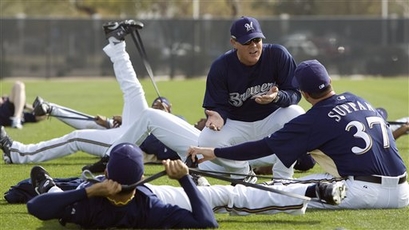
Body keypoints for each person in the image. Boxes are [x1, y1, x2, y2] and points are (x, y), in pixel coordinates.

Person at [187, 59, 409, 209]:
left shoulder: (314, 119)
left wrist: (214, 151)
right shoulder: (359, 99)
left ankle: (209, 197)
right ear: (330, 81)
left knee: (274, 191)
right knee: (308, 181)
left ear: (303, 93)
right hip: (402, 193)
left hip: (363, 192)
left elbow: (262, 147)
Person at [0, 20, 201, 166]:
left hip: (128, 143)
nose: (205, 121)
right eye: (207, 120)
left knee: (76, 138)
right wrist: (161, 110)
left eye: (207, 122)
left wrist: (114, 124)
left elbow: (153, 145)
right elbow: (157, 118)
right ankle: (116, 41)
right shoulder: (184, 123)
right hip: (133, 126)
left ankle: (19, 153)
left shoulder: (191, 149)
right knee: (134, 89)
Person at [20, 143, 346, 222]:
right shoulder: (149, 206)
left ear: (108, 177)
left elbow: (208, 224)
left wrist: (187, 181)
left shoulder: (150, 203)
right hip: (159, 193)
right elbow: (37, 207)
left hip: (163, 192)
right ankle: (313, 188)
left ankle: (313, 189)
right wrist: (187, 182)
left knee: (229, 194)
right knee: (231, 194)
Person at [197, 16, 305, 182]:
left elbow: (294, 93)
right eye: (247, 42)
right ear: (234, 42)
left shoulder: (277, 55)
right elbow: (217, 105)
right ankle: (244, 175)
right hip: (237, 124)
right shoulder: (221, 66)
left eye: (257, 40)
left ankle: (283, 178)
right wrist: (217, 115)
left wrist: (277, 97)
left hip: (271, 120)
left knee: (296, 114)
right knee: (206, 140)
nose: (254, 46)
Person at [26, 142, 218, 229]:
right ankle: (197, 182)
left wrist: (88, 191)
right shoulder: (152, 209)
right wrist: (184, 178)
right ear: (141, 177)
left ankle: (48, 185)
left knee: (59, 194)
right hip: (145, 197)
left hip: (85, 195)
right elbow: (207, 222)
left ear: (106, 172)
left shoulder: (88, 203)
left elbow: (35, 207)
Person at [32, 96, 182, 171]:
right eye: (154, 107)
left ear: (170, 109)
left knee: (76, 138)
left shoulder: (180, 123)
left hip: (133, 147)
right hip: (128, 135)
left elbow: (149, 144)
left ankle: (19, 153)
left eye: (160, 108)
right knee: (94, 123)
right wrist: (111, 123)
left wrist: (167, 117)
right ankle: (51, 108)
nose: (157, 110)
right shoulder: (149, 119)